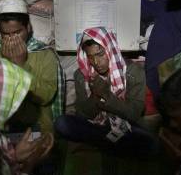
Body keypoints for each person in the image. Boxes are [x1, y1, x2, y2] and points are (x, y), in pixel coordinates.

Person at [54, 27, 157, 155]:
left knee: (150, 144)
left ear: (110, 50)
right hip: (96, 126)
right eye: (90, 57)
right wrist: (95, 96)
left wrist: (106, 94)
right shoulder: (81, 75)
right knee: (61, 123)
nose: (96, 62)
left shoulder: (134, 73)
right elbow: (82, 114)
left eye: (100, 54)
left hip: (126, 127)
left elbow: (134, 114)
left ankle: (101, 144)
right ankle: (111, 145)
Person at [0, 0, 63, 133]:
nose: (12, 39)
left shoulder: (45, 55)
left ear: (28, 28)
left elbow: (45, 97)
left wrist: (20, 65)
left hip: (36, 125)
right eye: (6, 34)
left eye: (18, 32)